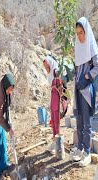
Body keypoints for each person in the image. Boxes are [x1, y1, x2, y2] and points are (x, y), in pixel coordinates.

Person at [72, 17, 98, 167]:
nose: (80, 36)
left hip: (87, 89)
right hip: (77, 88)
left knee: (87, 123)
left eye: (82, 32)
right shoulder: (78, 46)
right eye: (77, 33)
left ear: (86, 32)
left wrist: (88, 76)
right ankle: (80, 149)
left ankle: (87, 152)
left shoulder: (91, 47)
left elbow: (97, 66)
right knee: (79, 121)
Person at [43, 56, 66, 154]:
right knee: (53, 120)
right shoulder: (50, 73)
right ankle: (54, 141)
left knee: (57, 121)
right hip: (53, 98)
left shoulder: (56, 71)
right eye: (44, 66)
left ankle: (58, 144)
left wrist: (62, 102)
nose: (46, 67)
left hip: (57, 98)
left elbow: (61, 88)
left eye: (46, 65)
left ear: (50, 63)